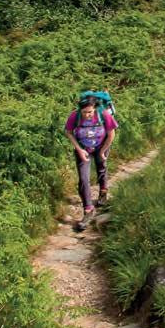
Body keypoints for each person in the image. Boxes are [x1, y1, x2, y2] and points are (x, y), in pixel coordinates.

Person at [64, 94, 118, 231]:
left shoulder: (104, 114)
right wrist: (79, 149)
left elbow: (111, 134)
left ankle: (103, 191)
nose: (87, 115)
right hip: (83, 148)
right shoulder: (74, 116)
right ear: (80, 110)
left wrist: (102, 151)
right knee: (83, 179)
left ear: (95, 109)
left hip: (102, 145)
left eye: (90, 112)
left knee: (102, 167)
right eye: (84, 112)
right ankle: (88, 210)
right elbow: (69, 132)